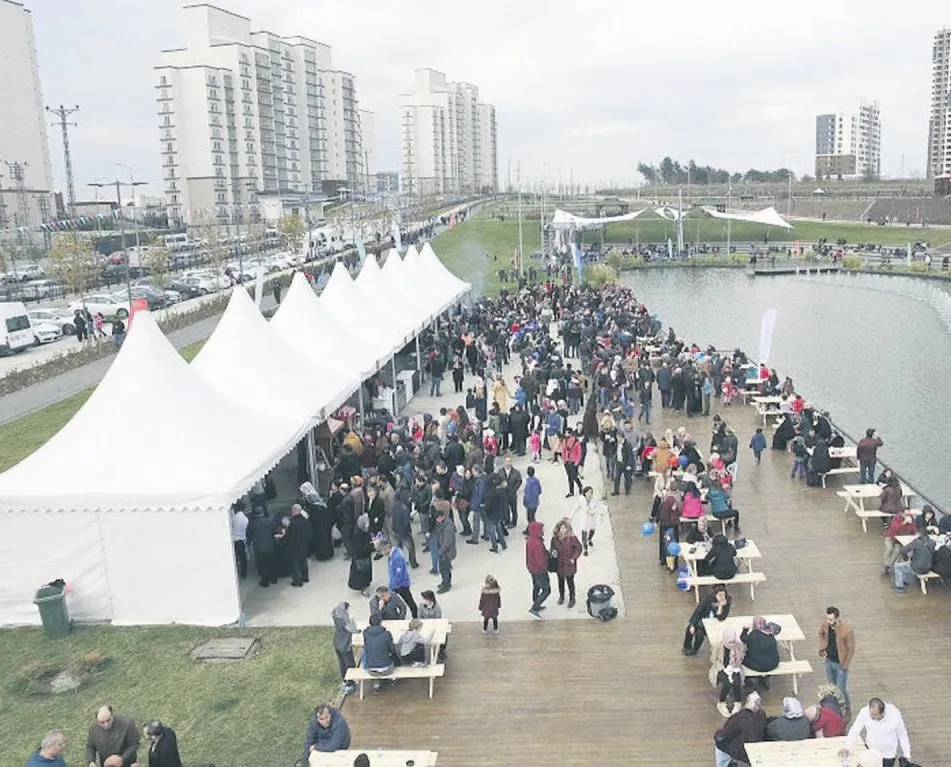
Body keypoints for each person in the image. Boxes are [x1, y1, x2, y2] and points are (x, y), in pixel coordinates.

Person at [841, 698, 911, 767]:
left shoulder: (894, 714)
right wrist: (847, 746)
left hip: (888, 753)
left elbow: (902, 734)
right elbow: (855, 730)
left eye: (875, 715)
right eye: (871, 714)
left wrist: (907, 754)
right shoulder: (864, 712)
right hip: (872, 750)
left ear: (883, 713)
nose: (872, 717)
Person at [713, 691, 767, 767]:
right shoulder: (761, 715)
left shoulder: (739, 718)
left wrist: (717, 735)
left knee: (720, 745)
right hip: (755, 749)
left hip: (741, 753)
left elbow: (725, 734)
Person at [818, 606, 855, 714]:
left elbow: (851, 649)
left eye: (831, 620)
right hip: (829, 661)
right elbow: (821, 634)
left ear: (837, 617)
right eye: (827, 619)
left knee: (841, 689)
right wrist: (822, 647)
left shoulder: (847, 630)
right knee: (832, 688)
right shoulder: (825, 625)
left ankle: (847, 707)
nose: (828, 622)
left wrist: (845, 665)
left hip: (840, 664)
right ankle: (835, 707)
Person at [682, 585, 731, 656]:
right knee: (690, 629)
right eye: (719, 595)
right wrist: (692, 624)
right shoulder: (708, 598)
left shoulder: (727, 601)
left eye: (723, 595)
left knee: (700, 634)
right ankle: (687, 645)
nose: (721, 597)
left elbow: (722, 617)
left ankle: (695, 649)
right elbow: (698, 610)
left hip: (715, 622)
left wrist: (720, 606)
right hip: (703, 618)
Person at [376, 538, 418, 619]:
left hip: (401, 585)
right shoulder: (393, 553)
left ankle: (415, 617)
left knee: (409, 601)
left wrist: (391, 587)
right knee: (392, 601)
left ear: (387, 547)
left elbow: (399, 574)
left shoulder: (397, 557)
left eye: (382, 551)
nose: (382, 553)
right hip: (395, 583)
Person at [713, 627, 745, 717]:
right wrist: (722, 668)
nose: (732, 644)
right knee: (726, 683)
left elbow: (742, 657)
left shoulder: (738, 646)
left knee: (736, 682)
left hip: (735, 667)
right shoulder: (718, 646)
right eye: (730, 642)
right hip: (721, 667)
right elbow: (714, 659)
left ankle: (738, 702)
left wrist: (735, 662)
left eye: (733, 642)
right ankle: (721, 702)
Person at [551, 519, 583, 608]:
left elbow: (579, 548)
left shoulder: (572, 538)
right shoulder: (555, 538)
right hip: (559, 564)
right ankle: (561, 596)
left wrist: (573, 558)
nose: (563, 530)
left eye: (565, 528)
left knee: (570, 581)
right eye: (561, 528)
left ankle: (572, 598)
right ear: (558, 529)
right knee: (560, 581)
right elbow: (552, 548)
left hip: (569, 564)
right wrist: (553, 552)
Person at [893, 528, 936, 593]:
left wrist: (907, 557)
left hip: (917, 568)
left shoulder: (916, 542)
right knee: (907, 565)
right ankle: (904, 581)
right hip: (928, 567)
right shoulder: (933, 542)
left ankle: (900, 587)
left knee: (897, 566)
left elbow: (903, 550)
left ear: (919, 535)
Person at [741, 617, 780, 686]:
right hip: (772, 665)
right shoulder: (771, 637)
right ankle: (765, 678)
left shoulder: (753, 635)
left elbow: (742, 638)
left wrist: (745, 629)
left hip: (758, 666)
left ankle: (748, 678)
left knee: (742, 659)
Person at [331, 602, 359, 696]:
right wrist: (354, 625)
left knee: (342, 662)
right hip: (344, 644)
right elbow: (351, 630)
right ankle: (350, 684)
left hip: (337, 642)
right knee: (349, 663)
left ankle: (344, 680)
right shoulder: (343, 620)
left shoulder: (336, 616)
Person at [526, 520, 551, 618]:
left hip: (532, 569)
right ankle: (535, 607)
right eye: (542, 529)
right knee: (546, 590)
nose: (543, 531)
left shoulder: (530, 540)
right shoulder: (537, 544)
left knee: (536, 586)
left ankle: (536, 603)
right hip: (539, 570)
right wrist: (545, 569)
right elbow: (540, 559)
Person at [286, 503, 313, 587]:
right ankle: (305, 577)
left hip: (294, 546)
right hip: (303, 544)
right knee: (303, 562)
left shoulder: (292, 523)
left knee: (294, 564)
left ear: (294, 511)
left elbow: (289, 536)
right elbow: (310, 534)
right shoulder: (305, 521)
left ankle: (297, 581)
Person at [347, 514, 374, 596]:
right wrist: (372, 546)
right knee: (361, 573)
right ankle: (362, 588)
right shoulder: (357, 534)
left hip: (366, 555)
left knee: (366, 570)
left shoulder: (363, 529)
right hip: (360, 557)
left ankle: (366, 583)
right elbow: (360, 548)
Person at [570, 486, 600, 556]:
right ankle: (585, 549)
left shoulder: (594, 500)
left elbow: (596, 508)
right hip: (584, 519)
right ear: (585, 493)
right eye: (588, 492)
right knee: (584, 533)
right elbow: (575, 508)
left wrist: (592, 511)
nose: (590, 494)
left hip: (592, 518)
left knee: (592, 530)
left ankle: (589, 539)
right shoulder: (581, 499)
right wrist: (571, 517)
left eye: (591, 492)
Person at [433, 504, 456, 594]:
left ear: (442, 517)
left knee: (444, 569)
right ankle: (446, 582)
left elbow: (447, 542)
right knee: (444, 568)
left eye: (438, 518)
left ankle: (446, 585)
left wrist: (440, 551)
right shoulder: (442, 524)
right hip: (443, 550)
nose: (437, 521)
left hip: (446, 552)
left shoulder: (448, 527)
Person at [231, 503, 249, 579]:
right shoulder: (245, 519)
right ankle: (243, 574)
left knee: (234, 557)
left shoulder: (233, 517)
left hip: (234, 539)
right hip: (241, 540)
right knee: (243, 558)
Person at [522, 465, 542, 530]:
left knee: (530, 518)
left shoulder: (528, 483)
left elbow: (527, 494)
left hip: (530, 504)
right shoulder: (537, 480)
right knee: (532, 516)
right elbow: (540, 491)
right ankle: (529, 529)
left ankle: (533, 530)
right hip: (535, 502)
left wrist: (525, 503)